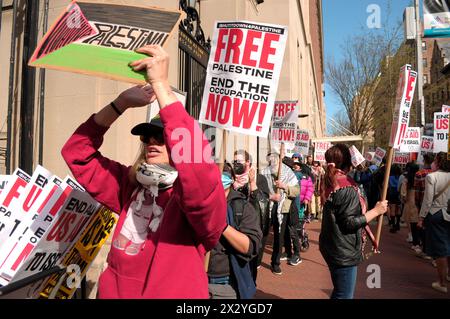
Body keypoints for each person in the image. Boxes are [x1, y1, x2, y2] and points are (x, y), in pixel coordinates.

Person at [61, 45, 226, 298]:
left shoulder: (195, 199)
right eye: (147, 137)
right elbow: (77, 152)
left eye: (162, 137)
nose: (151, 141)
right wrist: (120, 104)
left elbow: (198, 172)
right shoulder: (130, 184)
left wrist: (161, 85)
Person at [319, 144, 388, 299]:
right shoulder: (347, 188)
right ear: (348, 163)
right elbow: (348, 223)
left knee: (340, 291)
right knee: (344, 295)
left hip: (333, 245)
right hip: (343, 250)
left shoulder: (332, 180)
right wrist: (376, 212)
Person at [207, 164, 262, 299]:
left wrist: (222, 226)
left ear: (232, 179)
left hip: (225, 283)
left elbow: (249, 247)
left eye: (224, 173)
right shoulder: (199, 203)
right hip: (197, 278)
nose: (220, 176)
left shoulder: (242, 206)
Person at [232, 150, 270, 279]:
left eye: (239, 161)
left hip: (251, 231)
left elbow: (263, 208)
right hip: (234, 230)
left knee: (250, 272)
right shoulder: (230, 178)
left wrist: (253, 184)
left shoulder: (259, 179)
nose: (236, 164)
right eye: (234, 161)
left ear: (248, 162)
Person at [262, 152, 300, 275]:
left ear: (280, 159)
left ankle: (275, 263)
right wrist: (271, 196)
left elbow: (296, 191)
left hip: (282, 208)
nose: (273, 161)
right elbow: (258, 191)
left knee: (279, 237)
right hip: (266, 208)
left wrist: (284, 186)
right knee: (263, 235)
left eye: (276, 159)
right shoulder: (264, 172)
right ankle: (256, 261)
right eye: (270, 159)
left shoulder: (288, 172)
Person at [418, 152, 450, 294]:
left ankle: (442, 282)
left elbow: (427, 200)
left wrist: (421, 217)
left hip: (436, 214)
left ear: (437, 161)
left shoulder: (432, 176)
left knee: (441, 250)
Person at [400, 163, 421, 253]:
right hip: (418, 202)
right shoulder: (420, 177)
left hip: (409, 202)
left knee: (411, 221)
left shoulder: (406, 179)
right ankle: (418, 241)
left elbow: (403, 193)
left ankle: (414, 240)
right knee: (418, 222)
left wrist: (403, 199)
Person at [388, 165, 402, 233]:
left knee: (392, 209)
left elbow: (389, 185)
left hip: (392, 193)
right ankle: (398, 223)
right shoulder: (400, 177)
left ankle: (393, 225)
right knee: (398, 208)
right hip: (399, 193)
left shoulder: (390, 177)